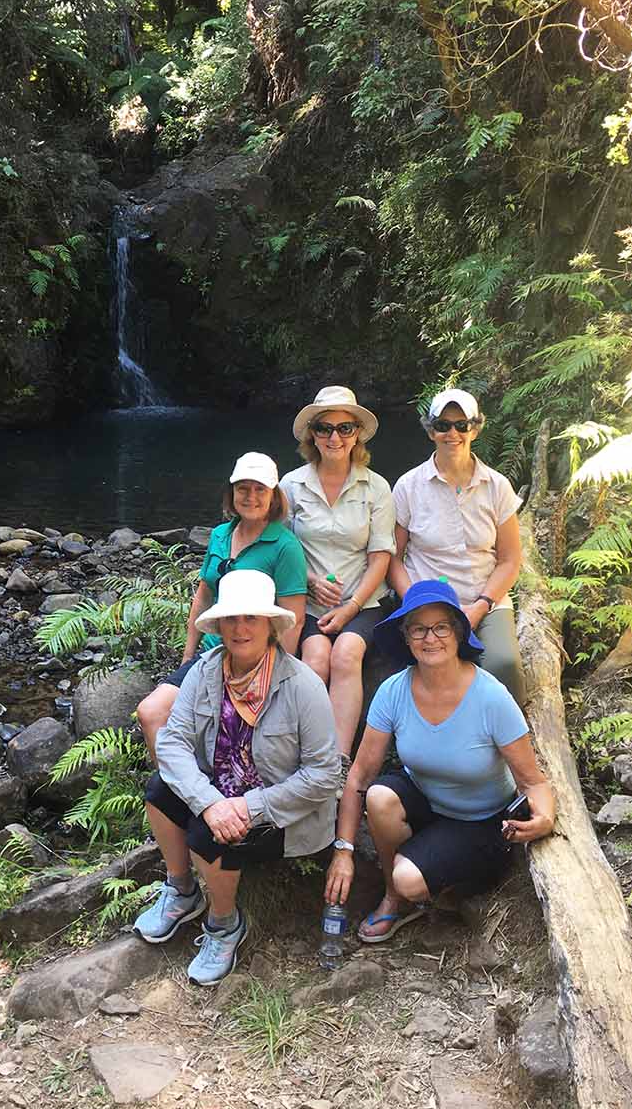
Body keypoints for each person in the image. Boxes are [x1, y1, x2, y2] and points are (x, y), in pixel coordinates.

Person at [133, 569, 340, 984]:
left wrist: (247, 806)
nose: (240, 628)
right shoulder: (206, 671)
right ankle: (182, 891)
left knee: (210, 835)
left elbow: (324, 775)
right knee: (158, 791)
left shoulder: (303, 686)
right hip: (219, 793)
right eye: (232, 619)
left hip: (282, 813)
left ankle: (224, 924)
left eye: (251, 619)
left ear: (270, 626)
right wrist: (209, 801)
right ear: (220, 625)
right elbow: (172, 743)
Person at [324, 579, 554, 942]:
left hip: (482, 822)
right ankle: (393, 898)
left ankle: (424, 884)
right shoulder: (394, 690)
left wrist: (544, 818)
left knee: (409, 877)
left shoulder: (491, 697)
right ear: (405, 637)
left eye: (440, 627)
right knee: (379, 796)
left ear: (458, 632)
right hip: (428, 802)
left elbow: (533, 782)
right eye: (418, 629)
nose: (430, 638)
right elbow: (358, 777)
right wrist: (344, 850)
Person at [136, 452, 307, 762]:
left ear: (274, 496)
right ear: (232, 493)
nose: (251, 496)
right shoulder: (219, 535)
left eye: (260, 489)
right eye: (243, 488)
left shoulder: (285, 547)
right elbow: (203, 597)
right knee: (151, 714)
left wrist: (273, 676)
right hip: (212, 653)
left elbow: (292, 619)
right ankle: (179, 798)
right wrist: (189, 656)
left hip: (255, 660)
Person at [388, 387, 526, 704]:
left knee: (503, 665)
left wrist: (480, 605)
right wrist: (413, 599)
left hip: (485, 599)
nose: (453, 433)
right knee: (431, 670)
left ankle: (511, 742)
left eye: (461, 425)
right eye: (443, 425)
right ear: (431, 430)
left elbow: (509, 560)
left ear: (475, 429)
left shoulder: (497, 486)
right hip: (427, 600)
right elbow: (394, 557)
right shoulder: (409, 486)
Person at [279, 387, 395, 757]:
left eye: (345, 428)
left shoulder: (376, 487)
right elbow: (280, 549)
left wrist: (351, 605)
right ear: (312, 434)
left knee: (346, 654)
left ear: (357, 433)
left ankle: (338, 761)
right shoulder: (292, 486)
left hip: (363, 603)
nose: (334, 437)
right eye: (325, 428)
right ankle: (310, 753)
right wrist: (309, 582)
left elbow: (381, 557)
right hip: (309, 604)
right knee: (314, 659)